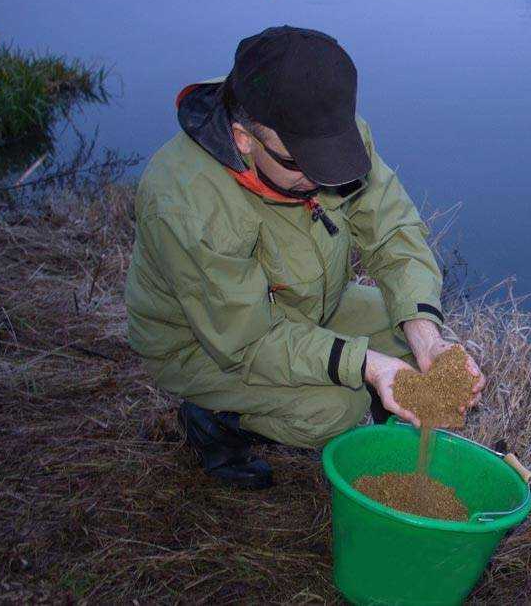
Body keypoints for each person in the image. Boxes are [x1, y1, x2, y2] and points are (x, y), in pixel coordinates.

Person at [124, 26, 485, 489]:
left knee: (401, 332)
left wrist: (427, 339)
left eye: (330, 158)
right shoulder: (187, 203)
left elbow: (393, 233)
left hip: (305, 304)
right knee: (336, 408)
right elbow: (247, 340)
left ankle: (383, 420)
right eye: (301, 164)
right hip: (205, 341)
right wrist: (366, 366)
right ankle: (214, 421)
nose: (320, 178)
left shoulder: (324, 128)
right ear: (242, 139)